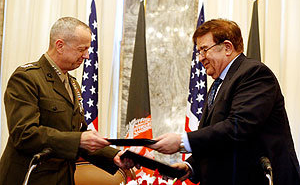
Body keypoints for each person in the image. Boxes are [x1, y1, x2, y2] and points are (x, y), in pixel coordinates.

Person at [149, 19, 300, 185]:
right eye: (199, 52)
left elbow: (239, 126)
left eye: (204, 50)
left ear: (227, 47)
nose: (200, 58)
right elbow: (217, 138)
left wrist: (182, 141)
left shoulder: (254, 73)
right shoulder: (218, 83)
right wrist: (190, 166)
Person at [0, 17, 133, 185]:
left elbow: (78, 132)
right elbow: (24, 134)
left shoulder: (72, 84)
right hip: (31, 177)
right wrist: (79, 140)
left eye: (87, 49)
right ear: (60, 46)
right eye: (81, 49)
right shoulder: (27, 78)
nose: (86, 56)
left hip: (64, 178)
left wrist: (113, 156)